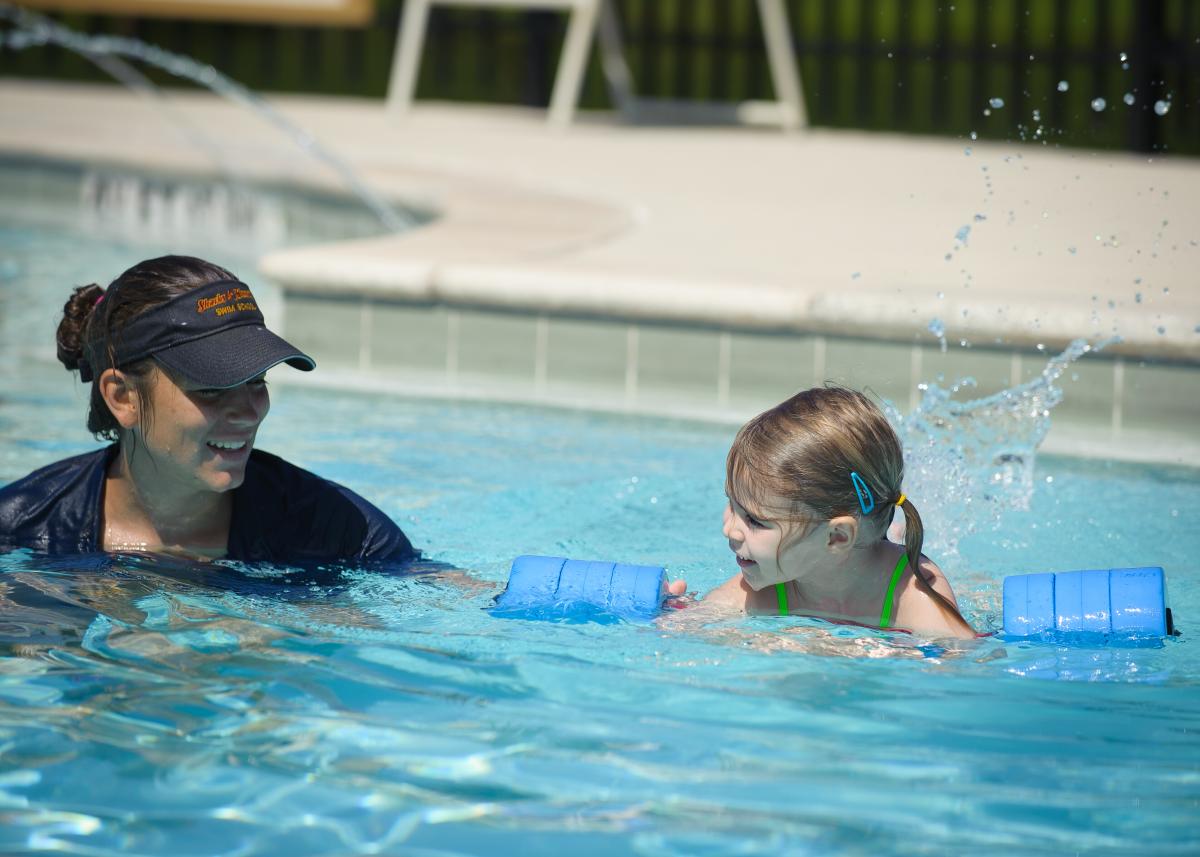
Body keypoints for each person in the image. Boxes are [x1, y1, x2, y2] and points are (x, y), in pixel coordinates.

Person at [0, 255, 416, 564]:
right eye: (212, 389)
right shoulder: (21, 528)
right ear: (122, 397)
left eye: (257, 381)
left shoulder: (345, 537)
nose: (248, 413)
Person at [703, 386, 976, 639]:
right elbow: (697, 628)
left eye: (754, 520)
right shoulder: (768, 586)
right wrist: (679, 611)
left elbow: (961, 660)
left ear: (837, 537)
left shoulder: (914, 596)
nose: (729, 529)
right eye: (732, 505)